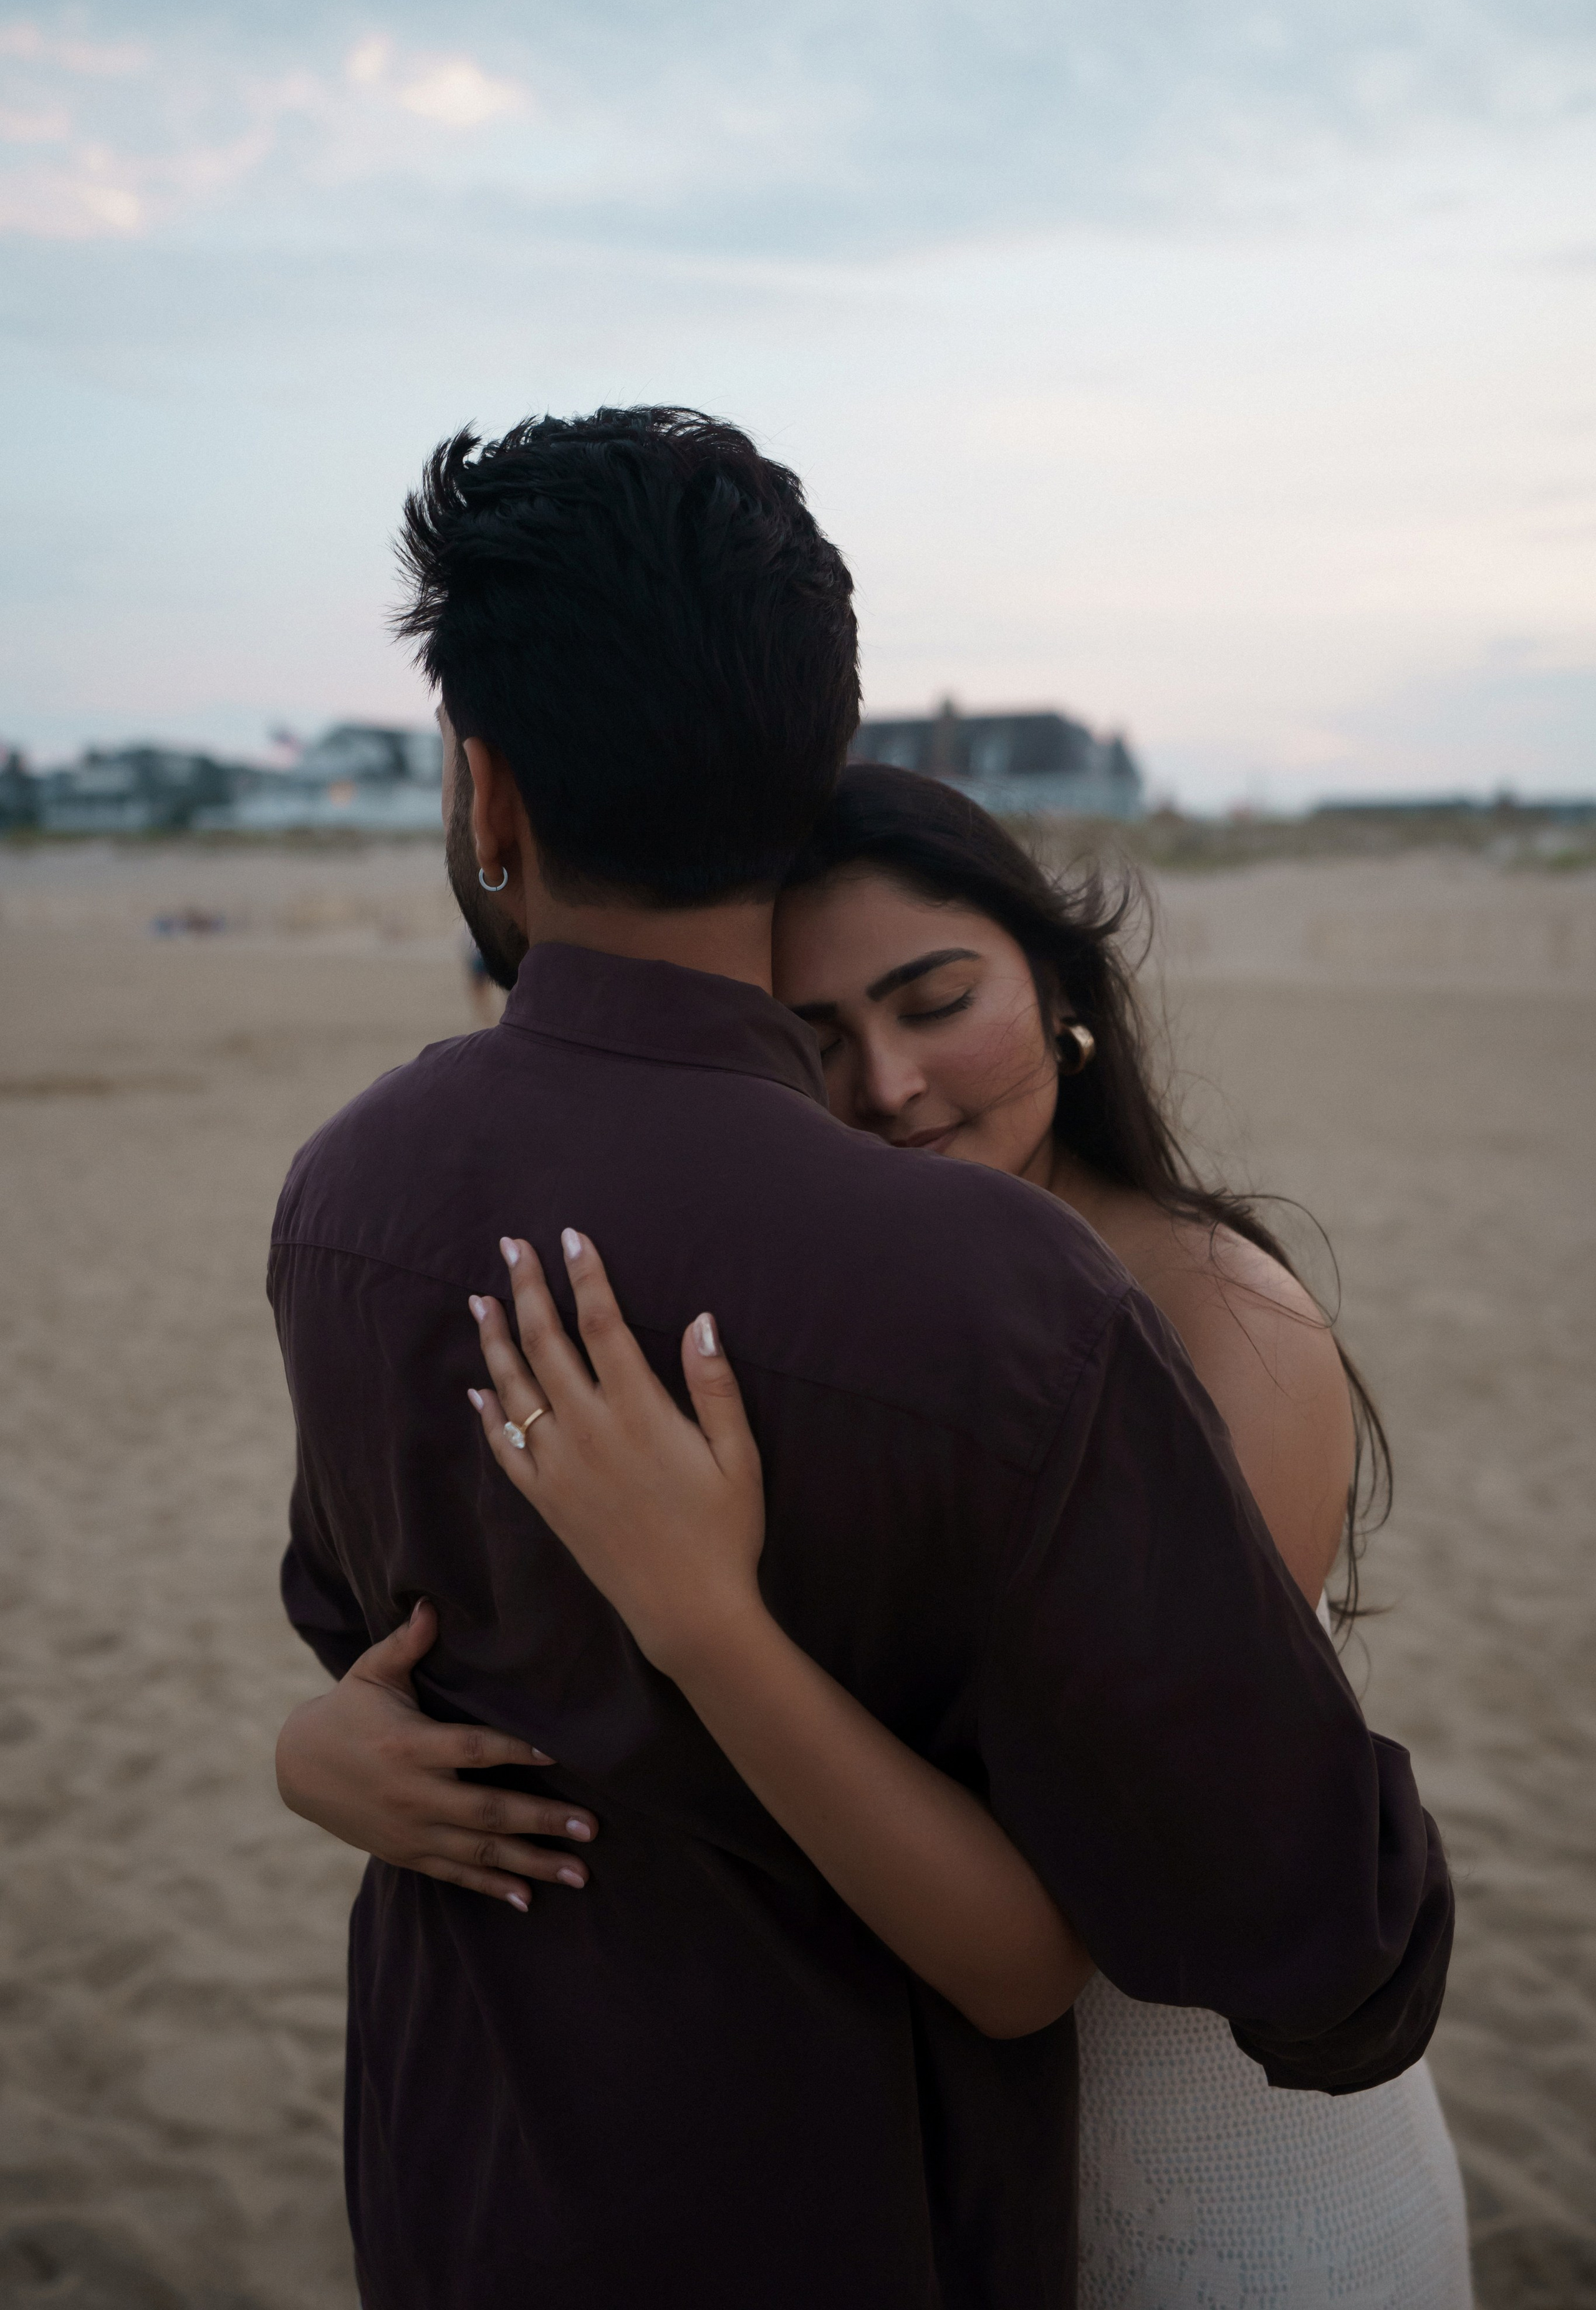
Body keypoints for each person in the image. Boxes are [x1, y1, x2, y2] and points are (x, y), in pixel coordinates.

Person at [271, 407, 1453, 2310]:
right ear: (804, 760)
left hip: (460, 2181)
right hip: (850, 2207)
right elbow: (1298, 1925)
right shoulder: (999, 1301)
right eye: (837, 1030)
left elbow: (374, 1631)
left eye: (935, 1004)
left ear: (488, 799)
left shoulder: (346, 1195)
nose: (891, 1084)